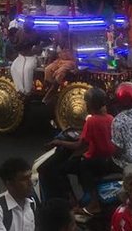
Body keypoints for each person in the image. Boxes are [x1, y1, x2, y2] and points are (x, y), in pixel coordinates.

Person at [50, 88, 117, 216]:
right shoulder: (110, 118)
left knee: (61, 169)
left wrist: (59, 142)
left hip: (94, 161)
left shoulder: (91, 121)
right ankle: (86, 196)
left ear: (91, 104)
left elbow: (78, 145)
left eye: (87, 102)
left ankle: (85, 202)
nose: (85, 105)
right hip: (107, 160)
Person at [0, 158, 36, 231]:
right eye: (24, 179)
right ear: (10, 184)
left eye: (30, 177)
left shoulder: (31, 204)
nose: (30, 183)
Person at [42, 22, 76, 105]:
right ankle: (52, 90)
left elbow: (76, 51)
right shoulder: (57, 36)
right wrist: (48, 62)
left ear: (67, 29)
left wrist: (77, 66)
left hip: (70, 60)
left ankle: (51, 92)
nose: (62, 31)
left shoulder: (72, 36)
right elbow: (53, 51)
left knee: (60, 72)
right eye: (60, 29)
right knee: (47, 70)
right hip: (60, 59)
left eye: (64, 29)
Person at [11, 19, 39, 95]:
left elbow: (38, 45)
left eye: (27, 25)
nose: (25, 27)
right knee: (14, 68)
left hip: (31, 57)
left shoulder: (35, 33)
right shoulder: (19, 32)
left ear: (31, 26)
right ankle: (19, 90)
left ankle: (27, 91)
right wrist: (20, 45)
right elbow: (15, 45)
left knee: (27, 70)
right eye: (25, 25)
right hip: (21, 56)